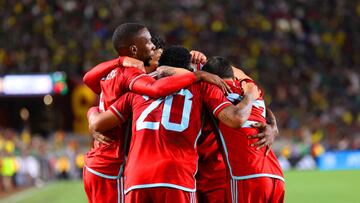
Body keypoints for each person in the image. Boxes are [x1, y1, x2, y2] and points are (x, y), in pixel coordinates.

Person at [87, 46, 263, 203]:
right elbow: (235, 116)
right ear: (188, 67)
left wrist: (91, 113)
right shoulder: (202, 86)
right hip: (177, 178)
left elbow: (97, 123)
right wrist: (262, 111)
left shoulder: (136, 91)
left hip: (137, 179)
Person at [202, 56, 285, 203]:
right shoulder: (252, 89)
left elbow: (237, 118)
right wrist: (272, 125)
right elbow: (265, 110)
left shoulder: (216, 92)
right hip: (275, 175)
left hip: (247, 176)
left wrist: (248, 97)